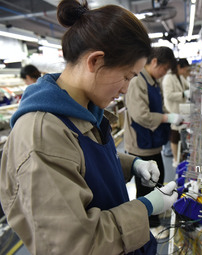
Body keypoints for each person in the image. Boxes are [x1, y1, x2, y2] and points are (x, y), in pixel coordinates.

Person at [0, 1, 178, 254]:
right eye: (126, 76)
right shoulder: (40, 137)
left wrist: (132, 164)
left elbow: (82, 161)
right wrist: (146, 207)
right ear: (95, 61)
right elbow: (75, 243)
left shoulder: (83, 110)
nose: (126, 89)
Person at [124, 46, 182, 239]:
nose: (164, 74)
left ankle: (155, 212)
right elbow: (141, 115)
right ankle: (149, 223)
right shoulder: (137, 82)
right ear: (155, 62)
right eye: (164, 69)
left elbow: (158, 105)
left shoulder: (153, 82)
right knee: (146, 185)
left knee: (158, 178)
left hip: (152, 142)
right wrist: (166, 118)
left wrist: (172, 114)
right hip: (141, 144)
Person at [163, 58, 191, 167]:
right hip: (172, 109)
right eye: (185, 69)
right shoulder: (168, 78)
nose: (185, 72)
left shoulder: (179, 76)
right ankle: (176, 159)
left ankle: (180, 156)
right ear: (179, 67)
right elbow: (169, 95)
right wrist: (184, 94)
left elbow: (188, 86)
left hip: (181, 109)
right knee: (174, 135)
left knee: (180, 132)